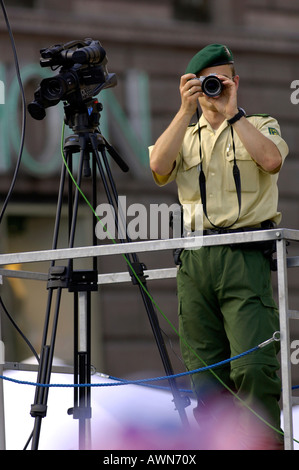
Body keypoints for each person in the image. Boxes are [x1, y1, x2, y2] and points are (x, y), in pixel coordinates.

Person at [149, 44, 289, 449]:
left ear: (236, 81)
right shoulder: (185, 134)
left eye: (221, 80)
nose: (213, 88)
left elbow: (271, 161)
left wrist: (233, 113)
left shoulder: (260, 123)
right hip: (195, 260)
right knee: (204, 372)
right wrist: (183, 110)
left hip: (244, 253)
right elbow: (158, 166)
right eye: (204, 82)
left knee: (253, 364)